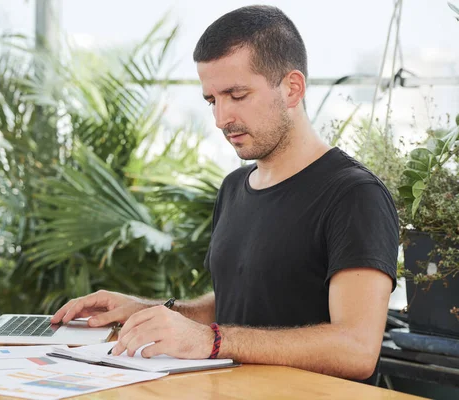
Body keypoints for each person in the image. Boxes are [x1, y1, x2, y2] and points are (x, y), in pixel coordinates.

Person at [51, 5, 398, 385]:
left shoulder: (354, 195)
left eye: (236, 94)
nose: (221, 119)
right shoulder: (234, 187)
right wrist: (151, 310)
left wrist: (212, 340)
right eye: (212, 100)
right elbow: (242, 304)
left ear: (292, 88)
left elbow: (357, 348)